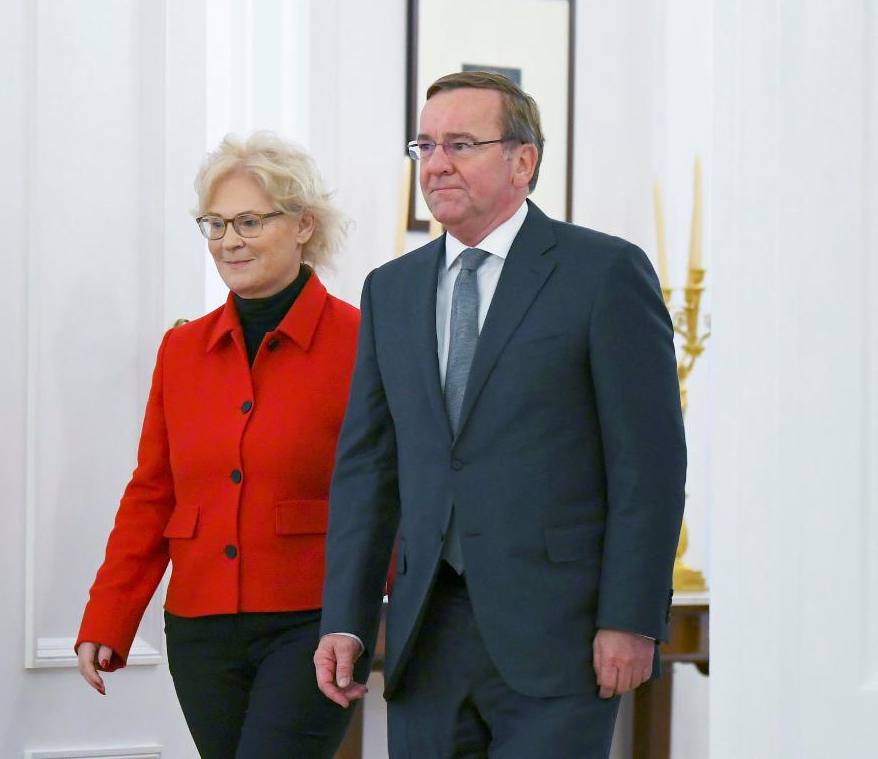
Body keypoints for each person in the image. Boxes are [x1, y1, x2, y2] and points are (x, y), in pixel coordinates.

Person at [314, 71, 686, 757]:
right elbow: (368, 469)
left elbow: (648, 465)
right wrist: (346, 616)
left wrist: (631, 617)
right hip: (426, 635)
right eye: (425, 145)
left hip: (561, 635)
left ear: (523, 161)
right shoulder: (390, 290)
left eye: (460, 144)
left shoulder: (603, 272)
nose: (436, 163)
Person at [76, 131, 360, 758]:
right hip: (200, 629)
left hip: (314, 624)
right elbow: (153, 492)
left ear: (304, 225)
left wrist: (377, 610)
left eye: (250, 221)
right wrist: (109, 615)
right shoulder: (181, 350)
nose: (229, 241)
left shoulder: (362, 341)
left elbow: (390, 487)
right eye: (215, 224)